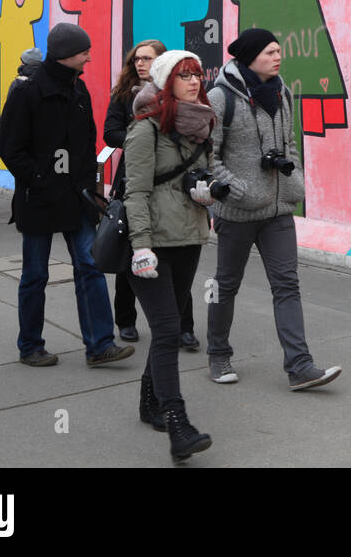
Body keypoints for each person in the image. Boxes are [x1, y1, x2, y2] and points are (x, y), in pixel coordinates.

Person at [205, 27, 342, 391]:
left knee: (287, 285)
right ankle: (218, 354)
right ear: (250, 57)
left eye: (278, 50)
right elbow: (207, 155)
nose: (277, 57)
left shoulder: (282, 91)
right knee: (226, 285)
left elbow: (290, 142)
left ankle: (299, 366)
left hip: (279, 210)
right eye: (269, 52)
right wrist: (239, 191)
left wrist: (294, 179)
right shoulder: (220, 98)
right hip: (238, 212)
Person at [0, 23, 134, 368]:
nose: (89, 56)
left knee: (90, 267)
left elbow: (88, 143)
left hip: (78, 198)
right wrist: (38, 180)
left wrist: (91, 188)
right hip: (38, 199)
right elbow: (10, 149)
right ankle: (30, 345)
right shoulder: (26, 92)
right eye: (84, 51)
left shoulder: (79, 90)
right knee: (34, 275)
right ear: (65, 54)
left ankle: (101, 345)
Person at [124, 49, 218, 461]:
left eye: (197, 74)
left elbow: (204, 176)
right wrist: (141, 245)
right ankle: (178, 423)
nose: (195, 81)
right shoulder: (145, 130)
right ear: (166, 83)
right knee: (166, 332)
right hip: (153, 245)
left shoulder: (201, 126)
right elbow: (136, 192)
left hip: (189, 238)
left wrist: (208, 190)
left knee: (166, 327)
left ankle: (149, 403)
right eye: (185, 76)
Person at [105, 39, 195, 347]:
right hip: (134, 177)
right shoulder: (122, 96)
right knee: (132, 250)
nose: (140, 64)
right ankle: (126, 320)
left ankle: (184, 326)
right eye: (136, 59)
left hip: (174, 184)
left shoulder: (181, 97)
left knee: (180, 262)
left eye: (147, 59)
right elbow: (109, 132)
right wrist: (141, 135)